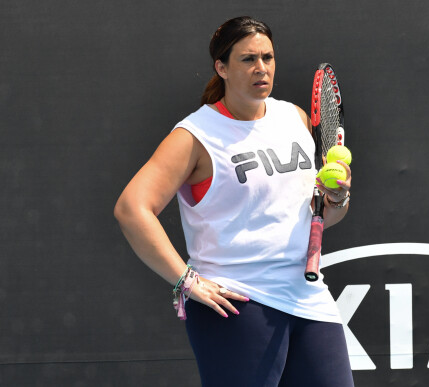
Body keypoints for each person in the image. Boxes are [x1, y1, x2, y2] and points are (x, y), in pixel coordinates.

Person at [114, 16, 354, 387]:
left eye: (268, 57)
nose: (262, 68)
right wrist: (186, 281)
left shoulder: (294, 118)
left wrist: (337, 198)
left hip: (308, 296)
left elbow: (318, 214)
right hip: (236, 302)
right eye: (248, 59)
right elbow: (132, 209)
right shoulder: (195, 136)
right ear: (221, 67)